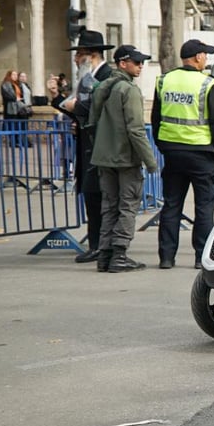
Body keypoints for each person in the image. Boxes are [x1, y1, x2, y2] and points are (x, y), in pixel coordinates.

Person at [151, 38, 214, 270]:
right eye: (205, 55)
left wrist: (163, 145)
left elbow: (156, 119)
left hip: (172, 152)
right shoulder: (208, 84)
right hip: (201, 154)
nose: (206, 59)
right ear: (197, 57)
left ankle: (166, 257)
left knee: (171, 205)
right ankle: (200, 256)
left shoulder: (164, 81)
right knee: (204, 206)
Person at [88, 45, 158, 272]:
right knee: (128, 206)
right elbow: (136, 130)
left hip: (103, 157)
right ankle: (119, 255)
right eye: (136, 62)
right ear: (122, 63)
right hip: (125, 158)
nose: (141, 66)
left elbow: (94, 122)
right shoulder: (129, 90)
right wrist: (150, 160)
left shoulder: (102, 87)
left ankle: (105, 255)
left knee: (109, 207)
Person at [58, 28, 115, 263]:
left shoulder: (106, 76)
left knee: (99, 197)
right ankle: (96, 243)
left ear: (90, 55)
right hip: (87, 143)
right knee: (91, 197)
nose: (74, 59)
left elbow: (98, 110)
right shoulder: (87, 77)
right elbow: (80, 111)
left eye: (78, 54)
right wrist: (57, 98)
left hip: (99, 146)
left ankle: (102, 246)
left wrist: (75, 109)